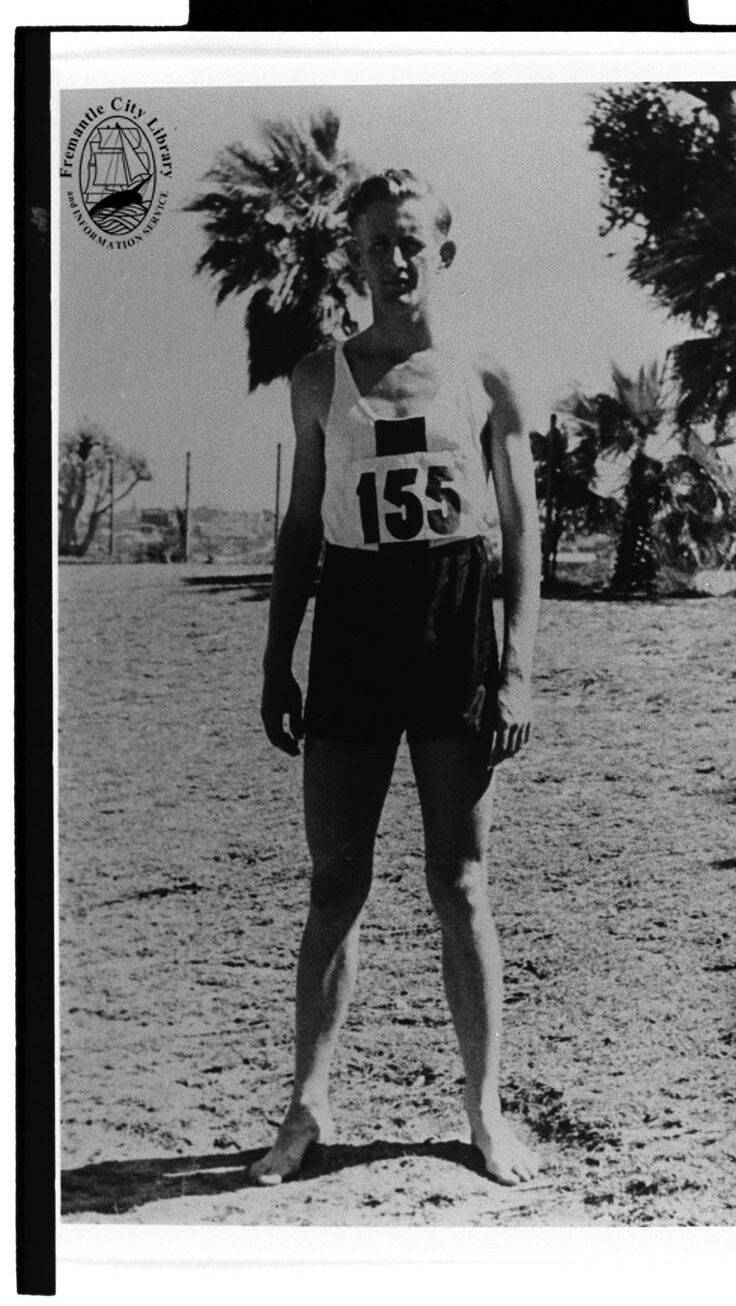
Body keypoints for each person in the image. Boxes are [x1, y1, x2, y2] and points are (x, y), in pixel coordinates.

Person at [252, 170, 541, 1187]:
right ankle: (306, 1104)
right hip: (357, 627)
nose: (396, 258)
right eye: (377, 243)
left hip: (455, 619)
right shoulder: (318, 378)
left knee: (458, 879)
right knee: (337, 878)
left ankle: (482, 1109)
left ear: (443, 252)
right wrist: (278, 653)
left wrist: (517, 667)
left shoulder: (487, 377)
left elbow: (518, 532)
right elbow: (298, 528)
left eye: (413, 241)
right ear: (358, 258)